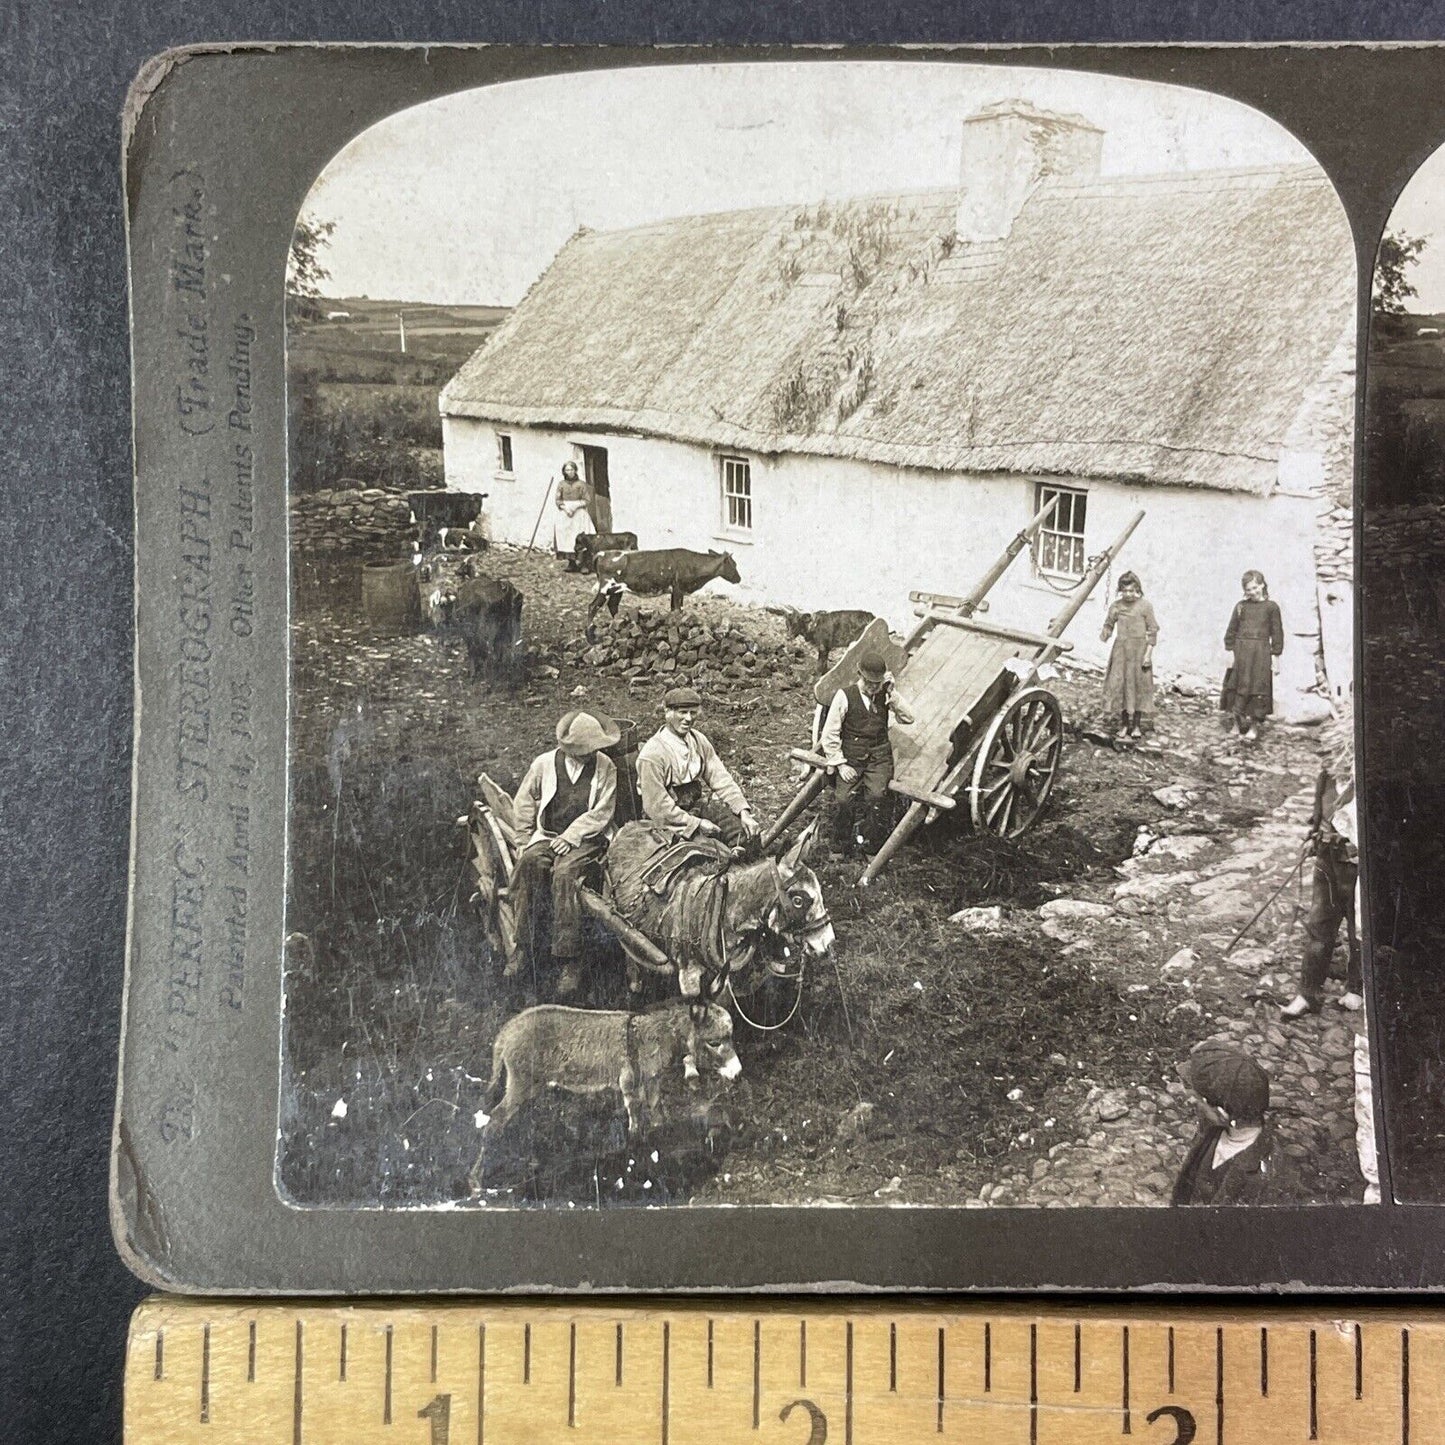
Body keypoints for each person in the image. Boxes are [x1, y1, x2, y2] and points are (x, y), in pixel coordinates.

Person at [510, 709, 620, 995]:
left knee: (565, 873)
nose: (590, 754)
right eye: (584, 750)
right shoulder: (544, 764)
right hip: (548, 834)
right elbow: (524, 800)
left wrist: (573, 836)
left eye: (593, 749)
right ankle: (523, 945)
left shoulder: (606, 767)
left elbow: (602, 812)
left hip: (588, 839)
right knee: (530, 863)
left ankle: (569, 958)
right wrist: (523, 839)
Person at [1282, 764, 1364, 1019]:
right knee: (1319, 929)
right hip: (1327, 863)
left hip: (1360, 869)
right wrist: (1313, 836)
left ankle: (1357, 990)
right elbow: (1319, 814)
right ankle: (1307, 994)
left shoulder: (1366, 778)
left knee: (1358, 930)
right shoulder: (1327, 776)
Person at [636, 686, 760, 845]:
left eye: (693, 713)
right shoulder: (652, 755)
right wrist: (696, 824)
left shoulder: (697, 740)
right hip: (668, 821)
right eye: (682, 712)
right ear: (668, 713)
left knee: (742, 835)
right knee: (712, 852)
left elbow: (720, 777)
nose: (688, 719)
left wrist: (743, 812)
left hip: (696, 806)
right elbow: (658, 807)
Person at [818, 650, 914, 854]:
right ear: (860, 675)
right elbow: (829, 733)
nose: (872, 687)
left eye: (877, 683)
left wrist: (892, 694)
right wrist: (840, 764)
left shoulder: (885, 694)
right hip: (851, 758)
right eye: (869, 682)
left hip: (879, 759)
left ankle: (871, 847)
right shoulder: (845, 696)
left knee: (877, 798)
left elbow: (909, 718)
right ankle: (840, 844)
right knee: (843, 799)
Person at [1171, 1040, 1274, 1206]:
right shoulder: (1213, 1127)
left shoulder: (1261, 1179)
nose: (1192, 1101)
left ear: (1222, 1114)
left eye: (1198, 1099)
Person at [1220, 570, 1284, 741]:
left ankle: (1254, 726)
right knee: (1237, 686)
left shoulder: (1272, 607)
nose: (1252, 592)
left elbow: (1277, 634)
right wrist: (1229, 652)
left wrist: (1275, 657)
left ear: (1262, 585)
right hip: (1241, 653)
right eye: (1248, 590)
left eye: (1255, 587)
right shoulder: (1241, 607)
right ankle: (1236, 723)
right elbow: (1231, 630)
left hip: (1260, 654)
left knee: (1258, 688)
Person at [1099, 571, 1158, 740]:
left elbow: (1152, 631)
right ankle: (1125, 724)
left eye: (1132, 591)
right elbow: (1108, 624)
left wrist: (1148, 655)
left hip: (1139, 651)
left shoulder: (1145, 606)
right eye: (1125, 591)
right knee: (1122, 685)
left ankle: (1137, 725)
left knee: (1138, 686)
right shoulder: (1116, 607)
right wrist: (1105, 633)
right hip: (1121, 652)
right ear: (1120, 590)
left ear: (1138, 589)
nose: (1129, 594)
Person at [552, 460, 594, 569]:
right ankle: (571, 563)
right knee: (566, 537)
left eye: (571, 469)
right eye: (567, 470)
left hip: (579, 514)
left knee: (581, 538)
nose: (569, 472)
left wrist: (575, 506)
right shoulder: (561, 484)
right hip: (565, 514)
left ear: (575, 470)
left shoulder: (581, 484)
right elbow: (557, 500)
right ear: (564, 472)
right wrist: (565, 508)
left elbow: (587, 500)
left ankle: (584, 564)